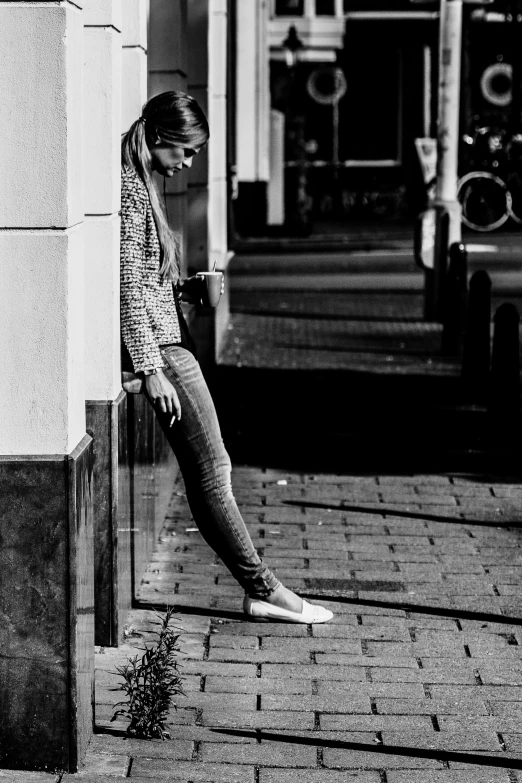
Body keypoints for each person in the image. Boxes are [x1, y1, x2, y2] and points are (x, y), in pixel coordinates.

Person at [120, 90, 333, 624]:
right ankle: (263, 590)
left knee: (211, 470)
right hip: (163, 353)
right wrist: (148, 368)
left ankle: (262, 588)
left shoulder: (143, 181)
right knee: (213, 472)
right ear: (161, 138)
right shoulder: (127, 189)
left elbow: (142, 279)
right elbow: (123, 284)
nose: (188, 163)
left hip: (168, 339)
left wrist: (183, 289)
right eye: (185, 152)